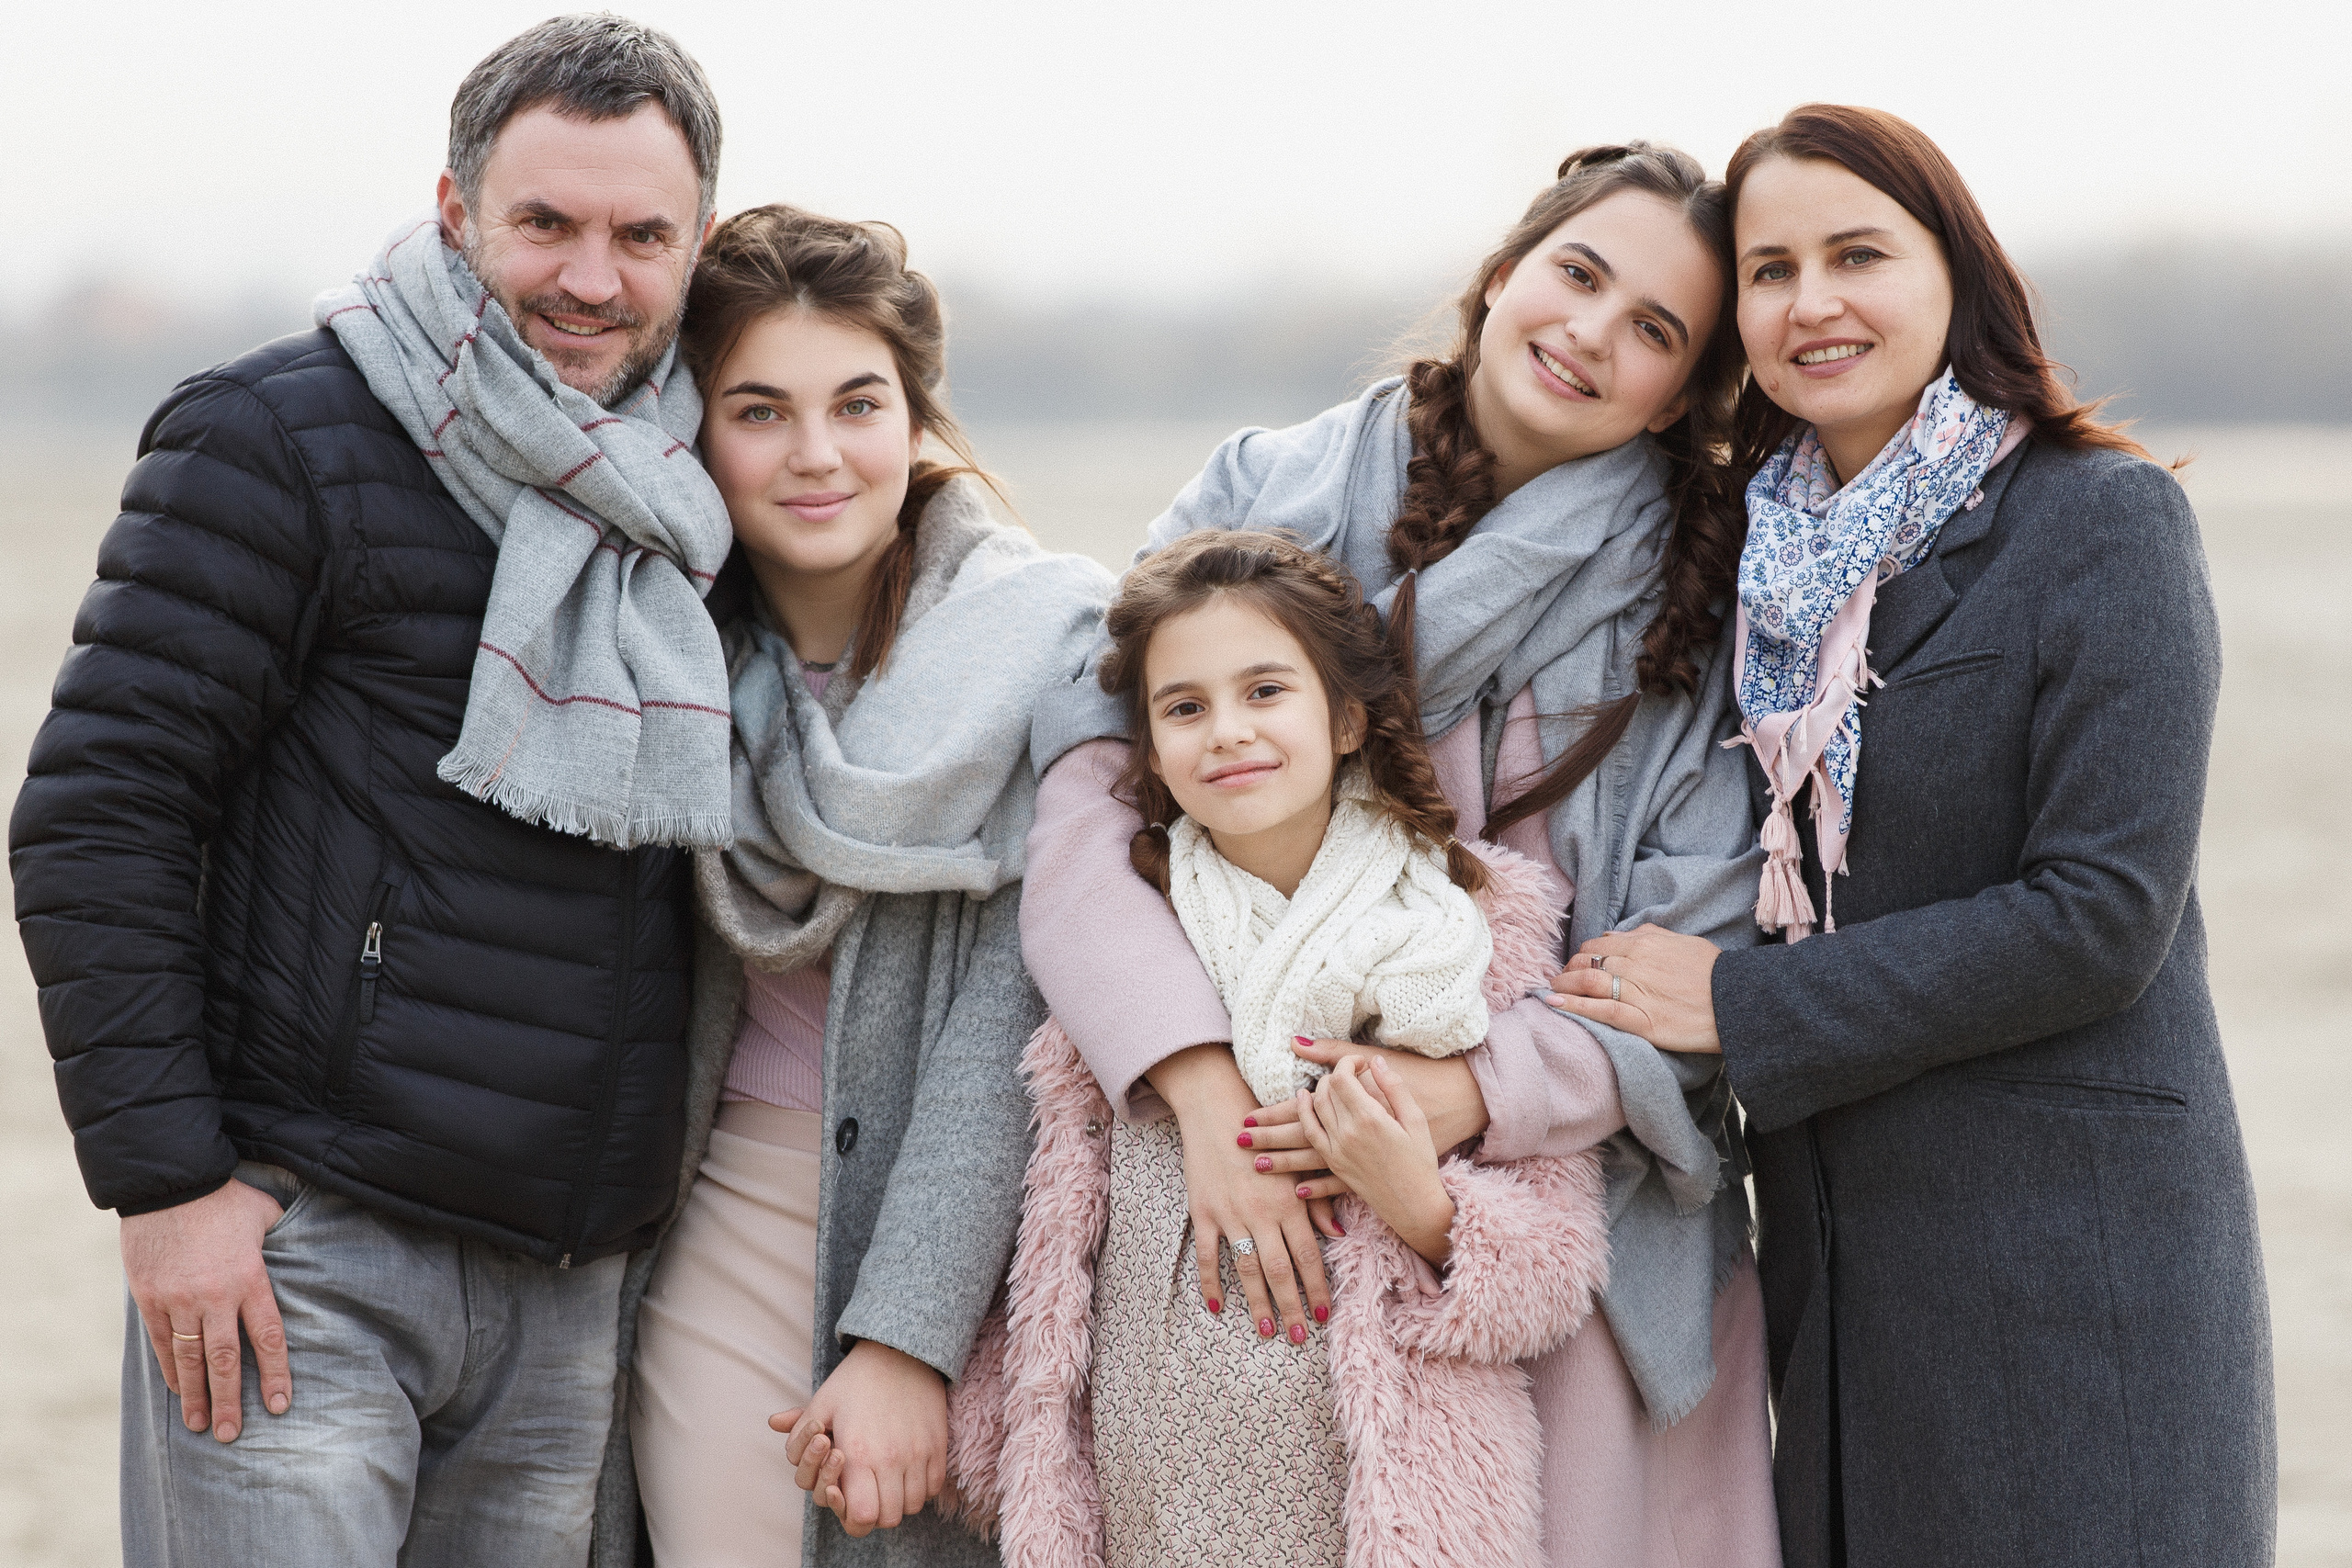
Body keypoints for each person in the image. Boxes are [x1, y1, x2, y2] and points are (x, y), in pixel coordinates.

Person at [8, 16, 735, 1564]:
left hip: (568, 1275)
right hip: (299, 1251)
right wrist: (171, 1186)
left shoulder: (695, 493)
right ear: (458, 207)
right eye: (544, 223)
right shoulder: (276, 438)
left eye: (637, 234)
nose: (589, 278)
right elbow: (100, 809)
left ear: (701, 242)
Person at [1019, 144, 1781, 1565]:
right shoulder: (1264, 492)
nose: (1591, 334)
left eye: (1656, 331)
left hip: (1546, 1230)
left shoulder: (1694, 610)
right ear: (1502, 274)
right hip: (1228, 1196)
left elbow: (1696, 966)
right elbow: (1083, 812)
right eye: (1579, 274)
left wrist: (1461, 1091)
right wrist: (1199, 1089)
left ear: (1684, 394)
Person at [1547, 105, 2276, 1568]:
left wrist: (1739, 1003)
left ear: (1956, 270)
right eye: (1769, 269)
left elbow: (2100, 915)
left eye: (1857, 252)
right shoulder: (1751, 566)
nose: (1811, 301)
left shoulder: (2100, 521)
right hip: (1839, 1272)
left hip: (2074, 1271)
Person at [594, 204, 1115, 1567]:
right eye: (759, 410)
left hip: (979, 1234)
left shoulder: (1049, 643)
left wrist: (906, 1337)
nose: (817, 454)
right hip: (728, 1219)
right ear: (695, 432)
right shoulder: (658, 654)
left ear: (919, 416)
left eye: (859, 403)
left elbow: (1017, 1010)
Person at [951, 529, 1612, 1566]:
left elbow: (1551, 1280)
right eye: (1184, 708)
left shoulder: (1471, 929)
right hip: (1148, 1494)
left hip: (1373, 1509)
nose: (1226, 733)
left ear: (1347, 718)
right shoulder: (1128, 942)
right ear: (1150, 749)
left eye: (1265, 691)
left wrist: (1417, 1199)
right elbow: (1048, 1223)